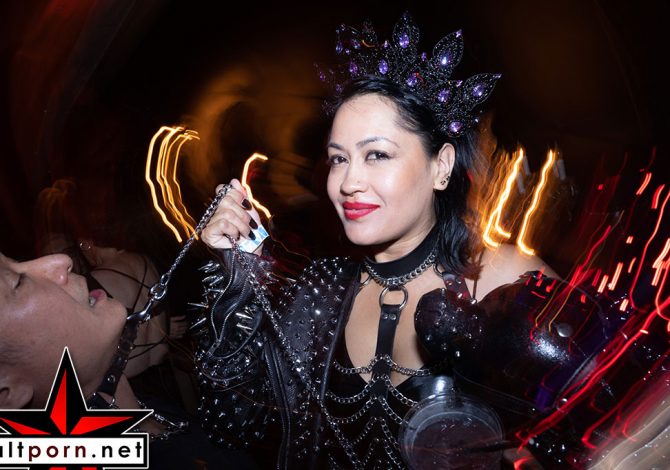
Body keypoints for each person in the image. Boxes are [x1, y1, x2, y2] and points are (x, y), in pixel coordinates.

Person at [194, 12, 569, 469]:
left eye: (376, 154)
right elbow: (232, 424)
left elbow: (603, 429)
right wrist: (234, 277)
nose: (348, 182)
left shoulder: (502, 279)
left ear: (441, 166)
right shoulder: (321, 288)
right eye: (338, 159)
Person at [0, 252, 259, 469]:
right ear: (6, 394)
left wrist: (242, 275)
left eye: (17, 260)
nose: (61, 260)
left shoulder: (136, 404)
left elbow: (230, 426)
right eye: (17, 283)